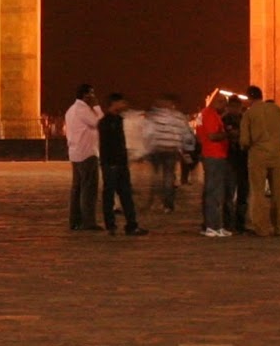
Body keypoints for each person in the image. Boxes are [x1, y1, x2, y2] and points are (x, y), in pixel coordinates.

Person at [239, 84, 280, 237]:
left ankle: (261, 228)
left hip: (258, 156)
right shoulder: (276, 110)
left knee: (258, 193)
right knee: (279, 193)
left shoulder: (249, 114)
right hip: (276, 154)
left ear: (249, 98)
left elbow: (244, 141)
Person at [98, 93, 147, 235]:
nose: (124, 105)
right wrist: (110, 162)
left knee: (126, 195)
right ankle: (111, 225)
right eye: (121, 103)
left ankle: (131, 225)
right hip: (111, 164)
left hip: (120, 163)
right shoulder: (106, 122)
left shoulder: (119, 120)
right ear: (114, 103)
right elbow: (106, 145)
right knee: (109, 195)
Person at [142, 95, 192, 213]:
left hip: (157, 149)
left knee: (156, 177)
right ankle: (168, 205)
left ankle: (154, 202)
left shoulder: (153, 117)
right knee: (169, 178)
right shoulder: (178, 116)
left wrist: (147, 148)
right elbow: (186, 134)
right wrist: (185, 148)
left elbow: (147, 134)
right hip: (171, 150)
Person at [65, 83, 102, 231]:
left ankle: (75, 221)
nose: (93, 97)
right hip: (87, 153)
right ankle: (88, 222)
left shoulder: (71, 110)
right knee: (89, 190)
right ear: (86, 95)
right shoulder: (83, 110)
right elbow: (100, 123)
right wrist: (97, 107)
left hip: (75, 153)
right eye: (91, 94)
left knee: (77, 189)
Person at [196, 92, 231, 237]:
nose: (225, 106)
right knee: (214, 192)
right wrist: (228, 133)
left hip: (214, 155)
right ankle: (212, 226)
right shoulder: (209, 114)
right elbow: (212, 136)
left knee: (215, 192)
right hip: (214, 155)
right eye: (222, 102)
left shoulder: (209, 113)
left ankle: (216, 225)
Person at [223, 95, 249, 232]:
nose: (235, 110)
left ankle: (240, 223)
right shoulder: (223, 119)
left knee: (243, 193)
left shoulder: (246, 119)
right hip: (230, 159)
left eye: (237, 107)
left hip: (244, 159)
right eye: (232, 107)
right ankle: (227, 222)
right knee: (229, 193)